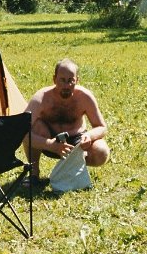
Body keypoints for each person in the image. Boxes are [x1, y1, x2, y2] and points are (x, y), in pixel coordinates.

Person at [23, 58, 110, 187]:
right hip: (49, 140)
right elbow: (22, 132)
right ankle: (34, 173)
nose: (66, 86)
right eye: (62, 80)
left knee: (102, 151)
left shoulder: (85, 97)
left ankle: (74, 168)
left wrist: (89, 136)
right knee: (34, 128)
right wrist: (50, 144)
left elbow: (102, 127)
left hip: (77, 142)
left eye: (71, 81)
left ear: (77, 80)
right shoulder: (40, 98)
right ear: (54, 79)